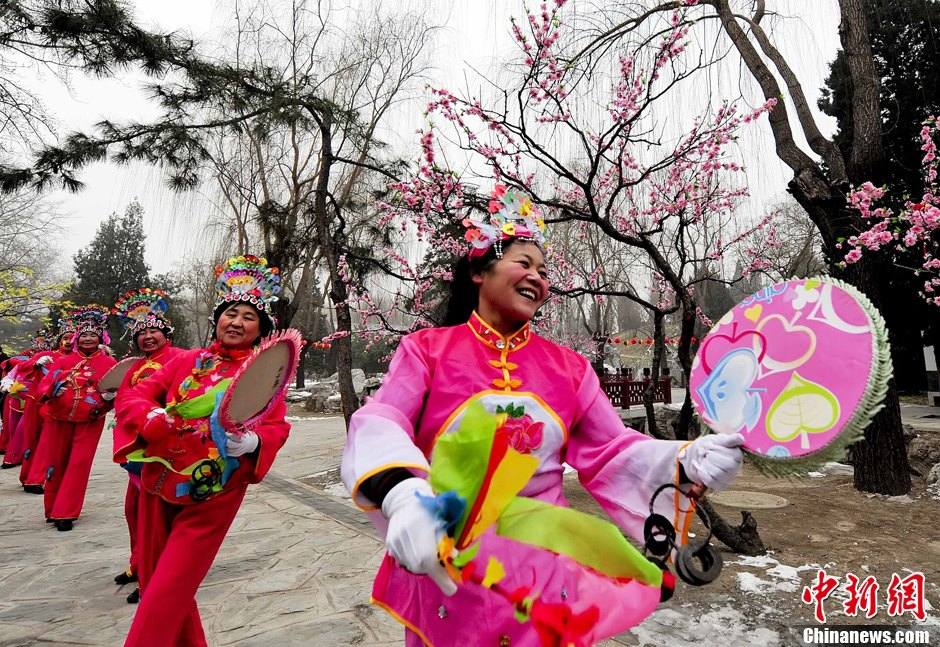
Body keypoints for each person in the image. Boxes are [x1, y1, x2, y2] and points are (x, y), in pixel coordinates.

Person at [341, 185, 745, 646]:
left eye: (544, 270)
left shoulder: (569, 369)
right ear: (479, 271)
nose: (538, 277)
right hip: (445, 555)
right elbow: (381, 419)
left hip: (543, 562)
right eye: (524, 263)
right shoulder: (427, 350)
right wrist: (402, 495)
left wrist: (685, 459)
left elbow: (612, 449)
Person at [115, 255, 290, 647]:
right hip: (158, 480)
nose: (236, 321)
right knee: (159, 577)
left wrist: (256, 442)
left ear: (261, 328)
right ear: (217, 319)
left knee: (169, 584)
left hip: (213, 490)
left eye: (248, 316)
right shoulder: (186, 361)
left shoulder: (263, 378)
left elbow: (278, 425)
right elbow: (135, 393)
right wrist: (149, 414)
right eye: (230, 312)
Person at [109, 288, 185, 604]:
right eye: (142, 332)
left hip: (167, 449)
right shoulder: (136, 366)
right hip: (139, 447)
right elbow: (125, 399)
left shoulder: (181, 358)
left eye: (154, 330)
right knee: (134, 511)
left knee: (157, 518)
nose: (148, 336)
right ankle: (138, 564)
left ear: (165, 332)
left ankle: (154, 580)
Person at [35, 305, 116, 530]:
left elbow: (117, 390)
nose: (88, 338)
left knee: (78, 465)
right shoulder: (62, 360)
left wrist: (110, 397)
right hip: (57, 417)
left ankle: (66, 512)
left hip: (90, 420)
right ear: (77, 338)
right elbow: (45, 383)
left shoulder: (109, 363)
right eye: (85, 334)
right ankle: (51, 508)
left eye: (93, 334)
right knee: (56, 462)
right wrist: (52, 391)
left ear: (100, 337)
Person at [21, 320, 75, 493]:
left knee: (47, 442)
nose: (68, 341)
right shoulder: (47, 355)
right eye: (65, 337)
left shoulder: (76, 359)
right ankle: (27, 476)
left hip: (58, 405)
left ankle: (36, 479)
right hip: (35, 401)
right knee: (32, 439)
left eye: (72, 338)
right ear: (59, 340)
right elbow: (22, 368)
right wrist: (36, 364)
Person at [1, 332, 51, 467]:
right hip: (16, 396)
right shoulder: (25, 357)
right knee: (12, 428)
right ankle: (13, 454)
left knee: (24, 429)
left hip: (38, 399)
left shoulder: (54, 359)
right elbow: (13, 368)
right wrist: (7, 381)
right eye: (38, 341)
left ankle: (17, 456)